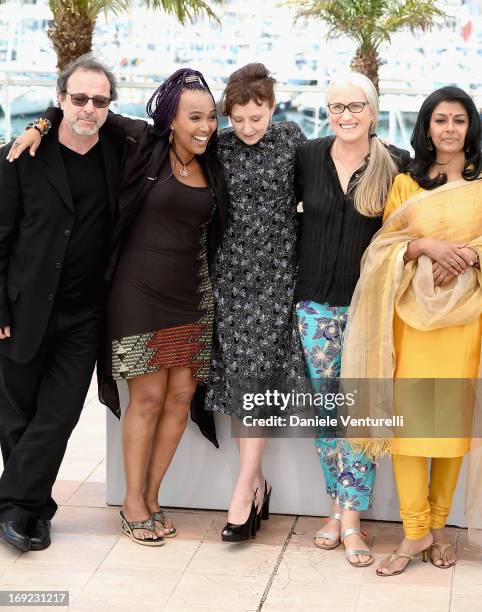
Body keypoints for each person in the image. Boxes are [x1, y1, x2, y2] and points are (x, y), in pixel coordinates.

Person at [9, 68, 228, 547]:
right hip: (138, 295)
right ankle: (131, 503)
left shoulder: (215, 160)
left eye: (212, 117)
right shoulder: (142, 143)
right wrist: (41, 123)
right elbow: (88, 112)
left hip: (194, 296)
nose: (206, 126)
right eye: (195, 117)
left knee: (178, 400)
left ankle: (152, 497)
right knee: (147, 400)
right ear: (171, 119)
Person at [341, 86, 482, 576]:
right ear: (426, 128)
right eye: (439, 120)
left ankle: (439, 527)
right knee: (407, 432)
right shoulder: (406, 184)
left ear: (470, 127)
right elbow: (382, 248)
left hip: (465, 321)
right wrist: (423, 245)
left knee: (450, 430)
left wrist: (469, 253)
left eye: (458, 120)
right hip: (410, 321)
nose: (449, 129)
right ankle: (414, 530)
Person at [0, 55, 123, 551]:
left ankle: (13, 503)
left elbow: (160, 124)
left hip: (84, 315)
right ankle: (30, 511)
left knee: (59, 416)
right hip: (22, 307)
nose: (88, 108)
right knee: (17, 416)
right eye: (78, 98)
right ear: (61, 98)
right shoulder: (19, 156)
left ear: (109, 105)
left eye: (98, 100)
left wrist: (46, 118)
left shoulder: (118, 150)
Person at [294, 72, 411, 566]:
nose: (345, 115)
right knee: (327, 416)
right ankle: (338, 510)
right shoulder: (306, 156)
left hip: (368, 309)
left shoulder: (396, 164)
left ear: (373, 110)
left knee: (359, 416)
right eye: (336, 106)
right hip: (314, 309)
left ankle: (352, 520)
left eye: (355, 106)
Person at [204, 63, 307, 541]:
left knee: (256, 383)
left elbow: (336, 171)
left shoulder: (291, 139)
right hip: (230, 279)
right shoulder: (218, 147)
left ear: (271, 108)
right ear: (227, 115)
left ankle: (243, 493)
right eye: (238, 119)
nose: (247, 128)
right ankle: (257, 484)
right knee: (243, 384)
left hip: (278, 277)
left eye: (257, 117)